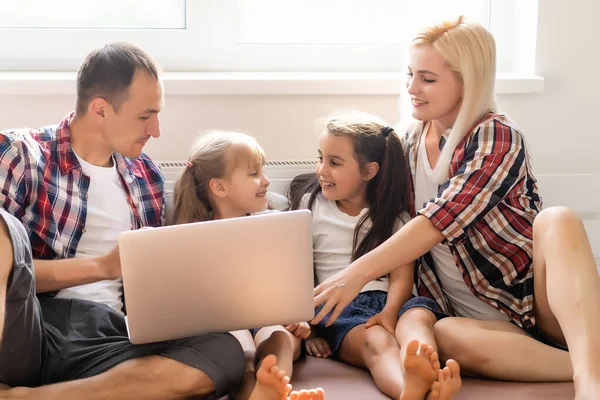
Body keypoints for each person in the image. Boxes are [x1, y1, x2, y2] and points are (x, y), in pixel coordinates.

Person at [312, 16, 600, 400]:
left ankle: (589, 381)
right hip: (478, 327)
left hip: (534, 303)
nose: (413, 88)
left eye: (427, 79)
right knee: (441, 333)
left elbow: (440, 220)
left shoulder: (496, 135)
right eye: (410, 74)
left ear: (467, 84)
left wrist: (355, 275)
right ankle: (585, 364)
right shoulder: (407, 143)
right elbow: (354, 177)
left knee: (558, 219)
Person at [0, 42, 245, 400]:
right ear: (100, 109)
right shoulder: (23, 155)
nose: (156, 130)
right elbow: (7, 270)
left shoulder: (147, 176)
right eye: (146, 116)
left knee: (223, 351)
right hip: (31, 328)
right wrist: (102, 266)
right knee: (4, 230)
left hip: (113, 336)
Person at [288, 111, 451, 400]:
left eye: (334, 162)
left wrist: (390, 313)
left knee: (418, 320)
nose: (322, 170)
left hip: (395, 300)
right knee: (377, 342)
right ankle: (408, 390)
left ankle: (425, 369)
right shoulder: (310, 205)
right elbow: (296, 271)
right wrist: (309, 331)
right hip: (342, 308)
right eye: (321, 158)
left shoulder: (393, 217)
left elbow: (402, 276)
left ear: (369, 171)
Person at [171, 131, 325, 400]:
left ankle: (275, 388)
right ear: (219, 187)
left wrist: (295, 316)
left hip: (269, 320)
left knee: (280, 339)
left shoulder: (276, 225)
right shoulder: (192, 236)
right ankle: (254, 393)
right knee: (238, 349)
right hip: (225, 326)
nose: (266, 181)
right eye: (254, 174)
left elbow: (288, 286)